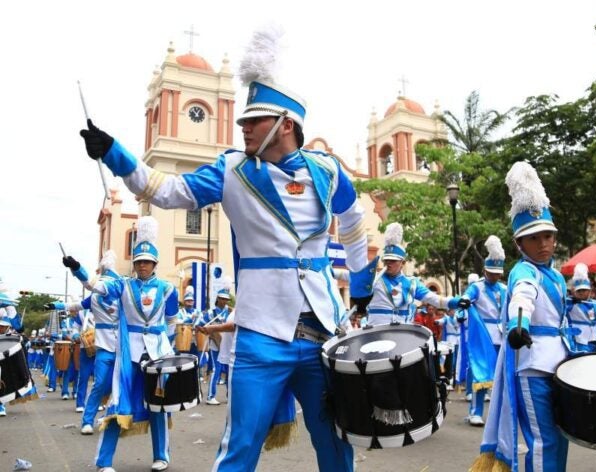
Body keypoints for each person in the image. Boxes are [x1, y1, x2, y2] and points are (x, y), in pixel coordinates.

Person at [79, 28, 373, 472]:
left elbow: (351, 221)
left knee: (335, 442)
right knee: (241, 447)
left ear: (285, 124)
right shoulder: (232, 170)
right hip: (259, 334)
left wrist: (362, 281)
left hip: (322, 331)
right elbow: (167, 189)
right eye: (242, 122)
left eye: (253, 121)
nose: (243, 128)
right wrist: (116, 155)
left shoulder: (328, 171)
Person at [473, 161, 572, 471]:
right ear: (519, 243)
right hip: (532, 364)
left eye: (547, 236)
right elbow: (522, 297)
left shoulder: (555, 275)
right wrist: (519, 325)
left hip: (559, 362)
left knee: (559, 437)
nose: (543, 244)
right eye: (534, 238)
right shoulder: (523, 271)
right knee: (544, 441)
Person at [87, 216, 179, 472]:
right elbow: (98, 288)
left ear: (154, 264)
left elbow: (172, 320)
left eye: (147, 263)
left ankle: (161, 456)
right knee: (118, 404)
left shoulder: (168, 289)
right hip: (129, 355)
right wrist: (78, 271)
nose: (143, 267)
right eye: (139, 262)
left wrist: (168, 349)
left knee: (159, 406)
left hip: (158, 354)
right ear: (135, 264)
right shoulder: (124, 286)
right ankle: (104, 461)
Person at [57, 250, 121, 435]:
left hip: (124, 348)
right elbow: (76, 304)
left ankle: (113, 415)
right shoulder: (94, 298)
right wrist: (76, 268)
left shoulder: (123, 295)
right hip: (102, 348)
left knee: (115, 385)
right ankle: (87, 420)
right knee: (99, 383)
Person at [365, 222, 466, 326]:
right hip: (377, 336)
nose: (388, 263)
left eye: (393, 260)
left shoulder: (412, 283)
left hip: (401, 336)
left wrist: (455, 302)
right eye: (386, 260)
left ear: (402, 263)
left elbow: (433, 298)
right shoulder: (374, 280)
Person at [459, 235, 507, 427]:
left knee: (501, 377)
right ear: (485, 269)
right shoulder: (477, 286)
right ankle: (475, 412)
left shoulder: (504, 288)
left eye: (497, 273)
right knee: (481, 374)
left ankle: (500, 415)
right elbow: (467, 297)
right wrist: (464, 301)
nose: (494, 276)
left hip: (501, 335)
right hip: (482, 335)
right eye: (491, 272)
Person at [566, 263, 596, 352]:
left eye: (584, 290)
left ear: (589, 291)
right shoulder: (571, 303)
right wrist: (571, 300)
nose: (581, 292)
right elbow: (562, 305)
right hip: (579, 341)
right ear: (575, 292)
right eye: (579, 290)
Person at [197, 287, 232, 405]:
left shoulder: (231, 311)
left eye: (226, 299)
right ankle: (210, 396)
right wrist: (208, 331)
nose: (224, 301)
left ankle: (230, 396)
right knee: (216, 369)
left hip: (228, 344)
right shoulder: (211, 313)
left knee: (229, 371)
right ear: (217, 298)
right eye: (222, 298)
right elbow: (198, 325)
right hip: (215, 345)